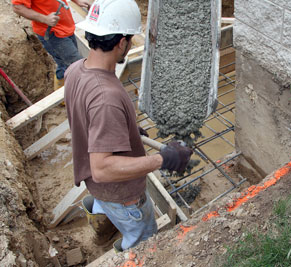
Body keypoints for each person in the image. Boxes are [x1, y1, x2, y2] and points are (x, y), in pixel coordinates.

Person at [64, 0, 193, 252]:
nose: (131, 44)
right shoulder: (106, 98)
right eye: (131, 39)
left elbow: (88, 120)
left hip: (100, 188)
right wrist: (163, 159)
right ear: (121, 42)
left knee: (105, 203)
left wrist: (127, 130)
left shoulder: (75, 70)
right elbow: (102, 169)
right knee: (144, 244)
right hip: (123, 197)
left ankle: (101, 221)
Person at [12, 0, 91, 90]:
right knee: (79, 67)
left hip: (65, 26)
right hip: (53, 33)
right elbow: (18, 7)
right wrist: (45, 19)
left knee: (64, 64)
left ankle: (62, 94)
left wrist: (77, 1)